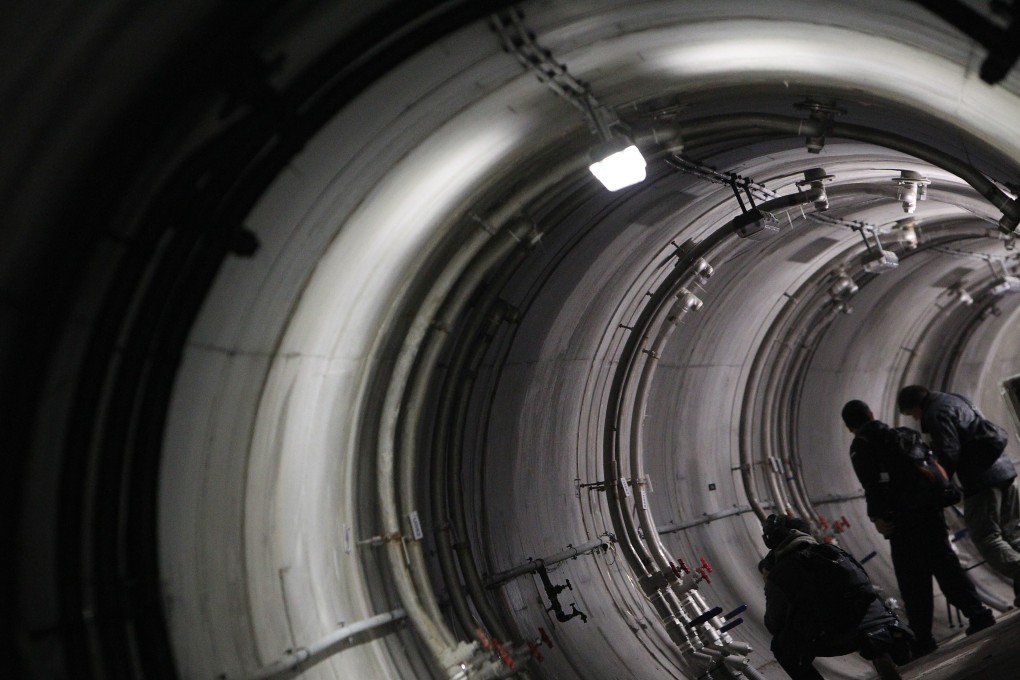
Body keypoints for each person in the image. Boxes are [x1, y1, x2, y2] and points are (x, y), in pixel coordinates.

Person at [841, 399, 995, 657]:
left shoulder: (861, 446)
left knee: (913, 581)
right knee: (947, 566)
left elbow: (872, 485)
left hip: (902, 521)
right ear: (871, 413)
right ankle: (978, 614)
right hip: (930, 512)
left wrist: (877, 517)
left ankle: (922, 638)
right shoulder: (902, 434)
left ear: (849, 427)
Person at [897, 385, 1020, 606]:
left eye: (912, 414)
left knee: (987, 538)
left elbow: (949, 451)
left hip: (981, 479)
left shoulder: (935, 413)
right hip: (1003, 468)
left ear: (916, 406)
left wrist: (940, 484)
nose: (915, 418)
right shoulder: (957, 399)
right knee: (1013, 533)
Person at [759, 514, 912, 680]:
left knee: (781, 647)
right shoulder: (832, 551)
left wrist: (768, 585)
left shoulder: (780, 574)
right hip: (875, 623)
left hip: (833, 635)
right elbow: (866, 586)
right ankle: (880, 651)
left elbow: (775, 623)